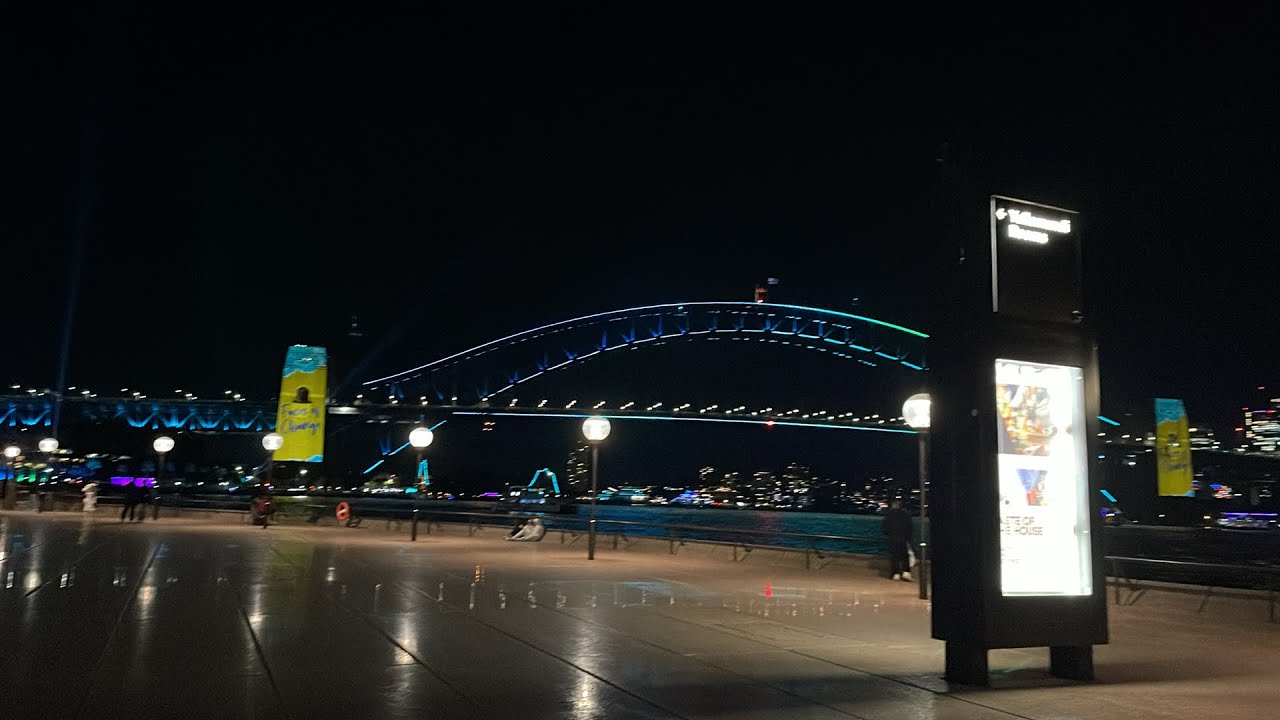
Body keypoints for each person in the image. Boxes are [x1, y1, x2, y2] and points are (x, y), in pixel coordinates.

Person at [880, 498, 913, 581]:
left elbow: (884, 528)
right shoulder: (905, 514)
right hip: (904, 539)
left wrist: (889, 534)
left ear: (893, 505)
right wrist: (908, 538)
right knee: (904, 556)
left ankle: (896, 574)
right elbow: (910, 527)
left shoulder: (889, 515)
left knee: (894, 556)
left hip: (893, 538)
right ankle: (906, 572)